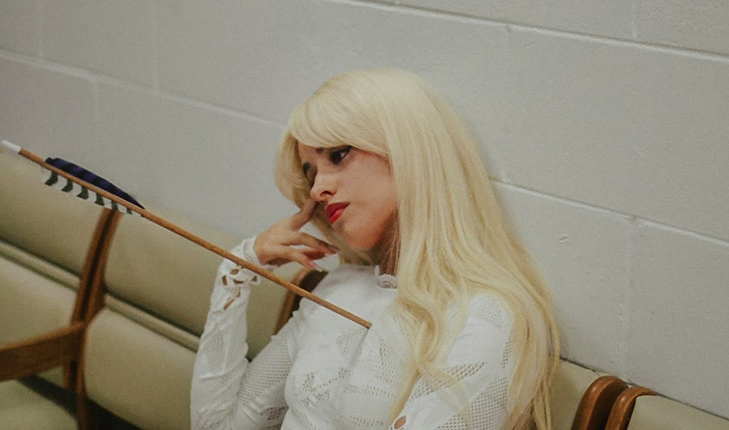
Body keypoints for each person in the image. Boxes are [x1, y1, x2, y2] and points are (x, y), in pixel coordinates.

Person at [191, 68, 559, 430]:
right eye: (311, 173)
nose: (318, 189)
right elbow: (218, 426)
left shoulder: (483, 315)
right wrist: (238, 271)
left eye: (338, 155)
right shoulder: (338, 289)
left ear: (407, 150)